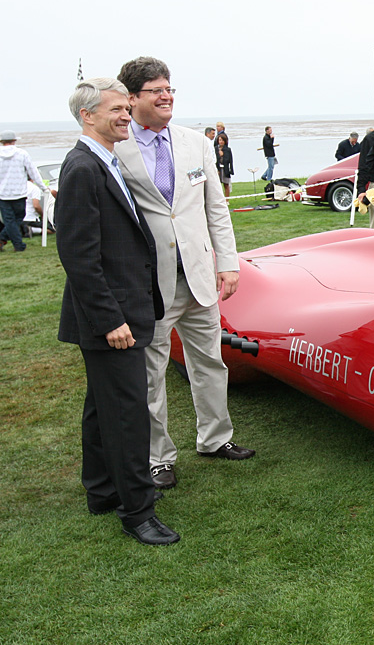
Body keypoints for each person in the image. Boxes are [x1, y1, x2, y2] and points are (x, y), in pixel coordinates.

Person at [113, 57, 254, 491]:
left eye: (169, 87)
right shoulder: (115, 148)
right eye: (155, 89)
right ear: (132, 98)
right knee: (152, 371)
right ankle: (158, 458)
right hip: (148, 283)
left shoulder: (196, 143)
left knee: (210, 360)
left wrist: (228, 263)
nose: (166, 94)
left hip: (199, 274)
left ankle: (215, 438)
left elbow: (216, 208)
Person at [57, 77, 178, 545]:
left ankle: (103, 491)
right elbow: (80, 258)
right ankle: (137, 510)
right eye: (117, 110)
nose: (127, 115)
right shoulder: (83, 168)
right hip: (113, 318)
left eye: (128, 109)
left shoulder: (103, 161)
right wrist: (111, 321)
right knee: (128, 413)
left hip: (124, 310)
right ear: (88, 116)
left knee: (101, 408)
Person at [0, 130, 49, 252]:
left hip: (3, 193)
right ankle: (18, 245)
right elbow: (33, 172)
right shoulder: (22, 154)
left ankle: (2, 239)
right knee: (18, 219)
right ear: (14, 141)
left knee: (9, 220)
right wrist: (43, 187)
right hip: (20, 192)